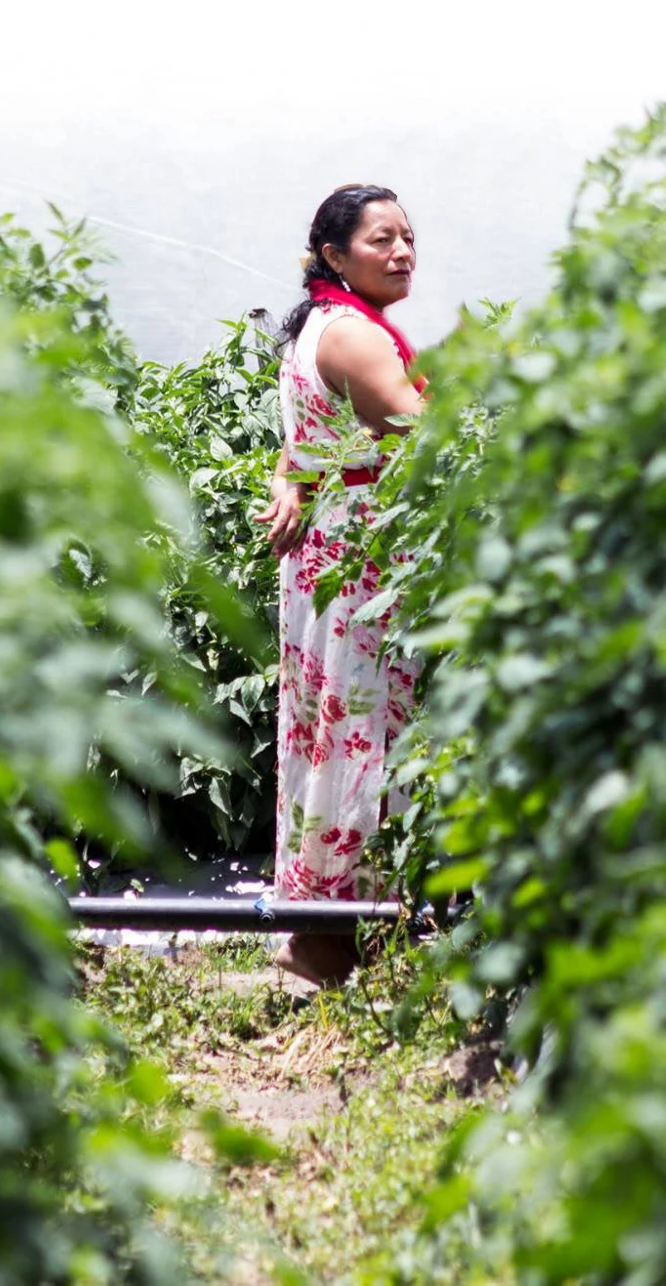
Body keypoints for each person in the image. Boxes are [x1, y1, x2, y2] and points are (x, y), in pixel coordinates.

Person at [253, 184, 427, 987]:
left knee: (330, 731)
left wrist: (293, 477)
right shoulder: (357, 336)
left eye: (407, 238)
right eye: (379, 240)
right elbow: (432, 438)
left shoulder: (320, 327)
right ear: (333, 257)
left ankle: (319, 926)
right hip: (362, 558)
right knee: (364, 731)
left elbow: (309, 442)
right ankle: (333, 934)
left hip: (329, 554)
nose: (401, 253)